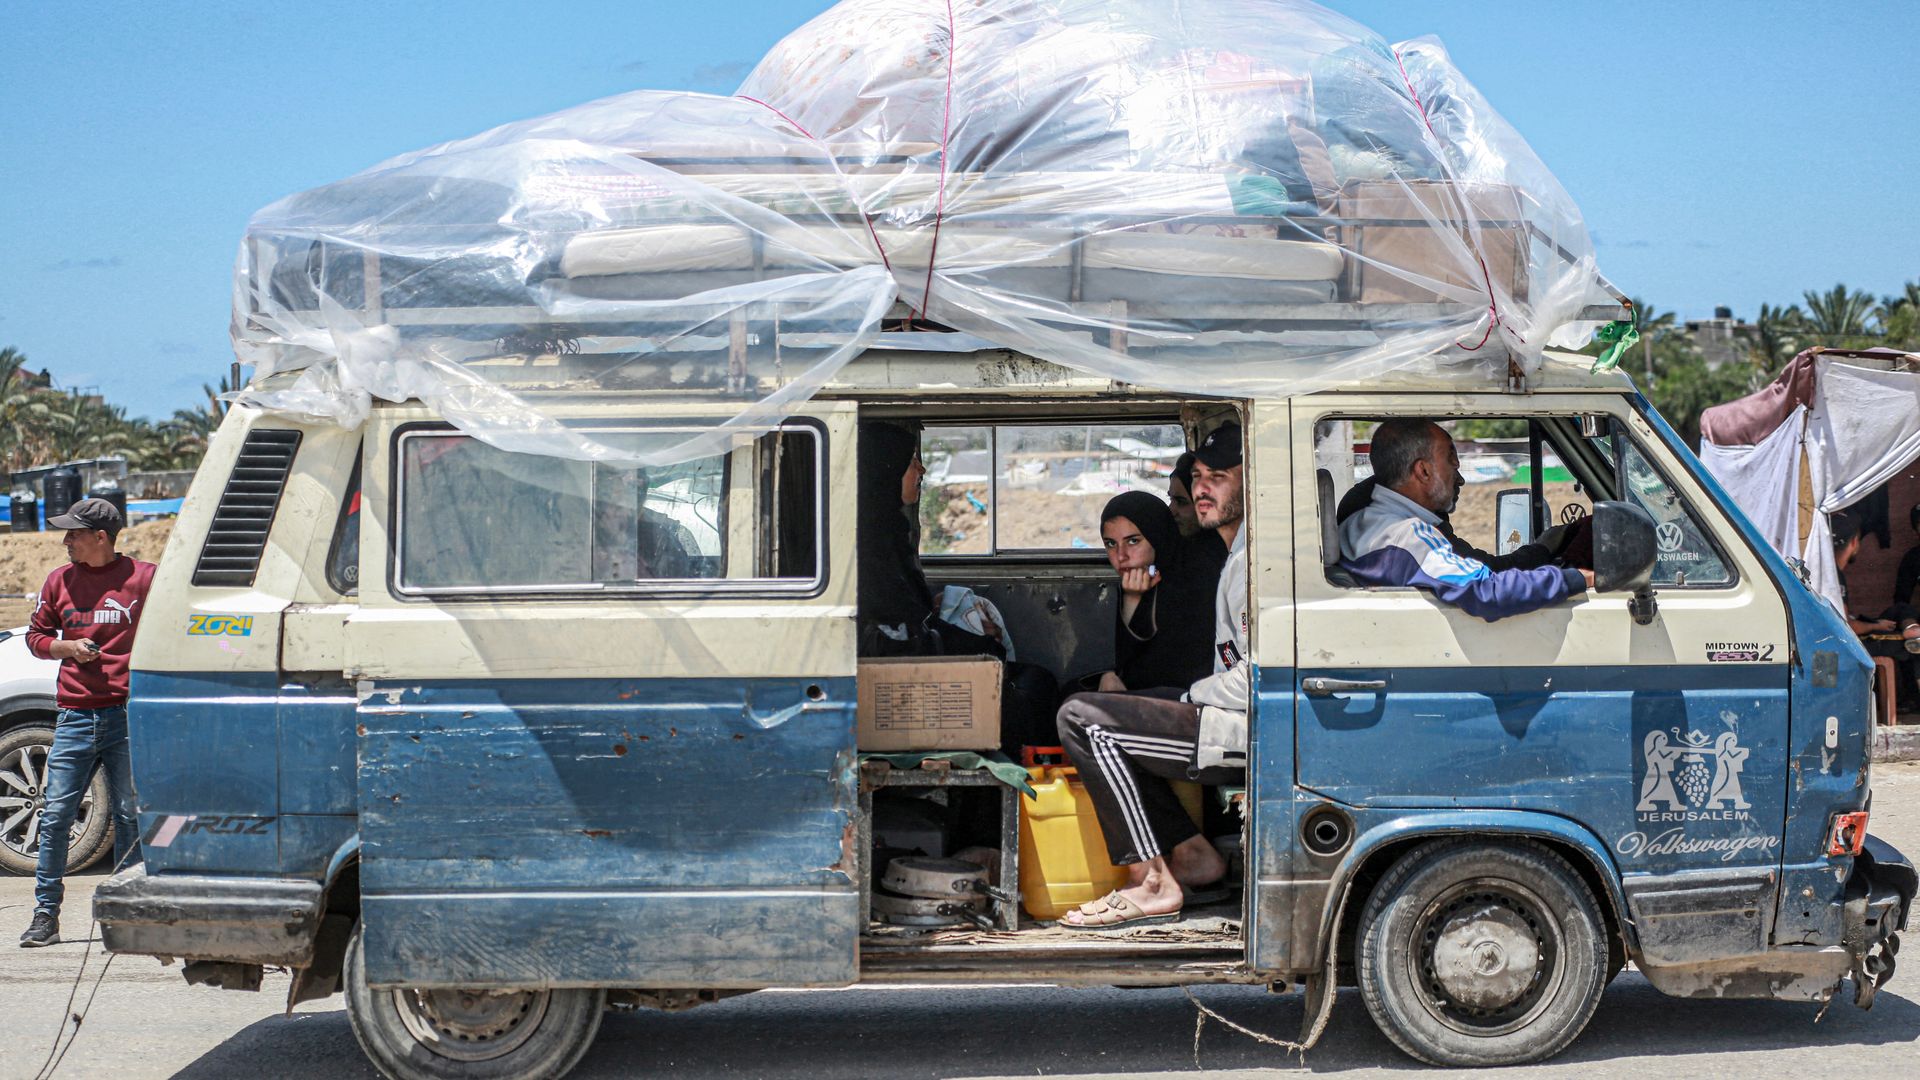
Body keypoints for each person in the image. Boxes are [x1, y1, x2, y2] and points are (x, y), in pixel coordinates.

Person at [1053, 422, 1249, 928]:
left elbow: (1256, 678)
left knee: (1083, 719)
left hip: (1244, 725)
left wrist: (1186, 693)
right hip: (1221, 709)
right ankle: (1192, 855)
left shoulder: (1249, 566)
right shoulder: (1233, 556)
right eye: (1198, 477)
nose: (1202, 489)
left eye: (1219, 477)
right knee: (1107, 711)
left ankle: (1153, 881)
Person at [856, 421, 1057, 749]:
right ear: (886, 469)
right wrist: (976, 644)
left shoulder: (888, 533)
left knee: (1029, 676)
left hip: (913, 663)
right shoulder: (869, 545)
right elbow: (897, 636)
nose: (921, 470)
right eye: (911, 461)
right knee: (1029, 687)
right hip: (898, 681)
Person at [20, 498, 155, 948]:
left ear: (102, 537)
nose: (65, 541)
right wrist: (68, 648)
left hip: (128, 715)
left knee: (130, 816)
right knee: (56, 816)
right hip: (75, 715)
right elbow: (37, 638)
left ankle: (129, 915)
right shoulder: (59, 581)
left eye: (73, 534)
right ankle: (45, 917)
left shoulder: (146, 579)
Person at [1340, 418, 1592, 620]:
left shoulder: (1364, 523)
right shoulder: (1405, 536)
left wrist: (1541, 550)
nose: (1460, 476)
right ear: (1423, 471)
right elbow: (1487, 590)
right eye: (1451, 459)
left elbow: (1480, 567)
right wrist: (1581, 578)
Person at [1093, 490, 1224, 694]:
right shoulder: (1131, 585)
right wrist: (1131, 599)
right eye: (1110, 544)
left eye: (1133, 541)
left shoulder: (1197, 579)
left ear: (1157, 536)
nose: (1121, 556)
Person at [1832, 511, 1920, 704]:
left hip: (1849, 633)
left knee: (1902, 615)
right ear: (1855, 542)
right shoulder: (1834, 575)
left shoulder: (1831, 571)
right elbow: (1845, 625)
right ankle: (1912, 633)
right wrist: (1874, 626)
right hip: (1846, 642)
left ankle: (1911, 629)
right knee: (1905, 647)